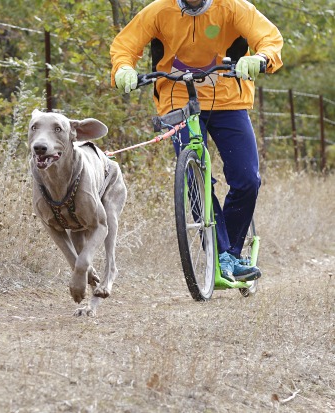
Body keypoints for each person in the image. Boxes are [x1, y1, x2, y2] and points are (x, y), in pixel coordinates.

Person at [110, 0, 283, 282]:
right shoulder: (159, 10)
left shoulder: (234, 8)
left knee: (247, 178)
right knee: (196, 176)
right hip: (178, 99)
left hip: (229, 98)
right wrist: (122, 68)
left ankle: (231, 253)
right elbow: (125, 44)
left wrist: (262, 58)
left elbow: (269, 37)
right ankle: (220, 252)